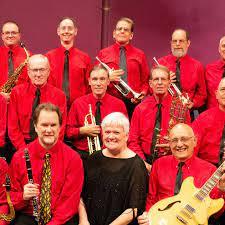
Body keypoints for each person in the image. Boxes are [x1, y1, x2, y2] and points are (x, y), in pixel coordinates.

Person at [9, 103, 84, 225]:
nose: (49, 130)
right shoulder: (19, 157)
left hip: (61, 219)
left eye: (53, 125)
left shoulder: (73, 158)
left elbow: (69, 203)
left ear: (60, 127)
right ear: (36, 126)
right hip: (29, 216)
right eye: (44, 125)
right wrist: (23, 196)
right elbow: (10, 198)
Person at [138, 123, 225, 225]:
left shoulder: (210, 170)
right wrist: (148, 215)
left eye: (184, 139)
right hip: (161, 220)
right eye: (174, 140)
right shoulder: (159, 164)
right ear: (169, 144)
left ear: (195, 141)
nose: (179, 144)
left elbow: (217, 213)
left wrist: (221, 190)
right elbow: (151, 198)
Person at [79, 112, 148, 225]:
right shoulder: (93, 158)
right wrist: (83, 220)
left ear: (126, 135)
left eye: (116, 132)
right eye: (107, 132)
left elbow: (133, 209)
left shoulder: (136, 165)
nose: (111, 136)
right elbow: (80, 194)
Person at [128, 65, 190, 172]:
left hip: (173, 160)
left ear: (169, 83)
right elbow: (133, 141)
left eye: (163, 79)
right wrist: (143, 164)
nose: (160, 82)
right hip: (144, 161)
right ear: (150, 84)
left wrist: (173, 148)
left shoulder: (181, 108)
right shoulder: (140, 108)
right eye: (156, 79)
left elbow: (188, 139)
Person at [66, 65, 127, 160]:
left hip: (111, 155)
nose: (98, 83)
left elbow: (125, 133)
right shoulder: (78, 103)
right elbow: (68, 132)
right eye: (95, 79)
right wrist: (82, 131)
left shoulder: (119, 104)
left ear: (108, 81)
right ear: (89, 81)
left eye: (102, 79)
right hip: (84, 155)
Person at [8, 54, 67, 152]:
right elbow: (12, 127)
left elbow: (60, 128)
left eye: (42, 70)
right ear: (28, 72)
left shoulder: (59, 95)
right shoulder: (16, 93)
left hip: (49, 146)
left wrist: (48, 149)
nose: (38, 74)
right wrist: (24, 150)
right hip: (21, 147)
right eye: (35, 70)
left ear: (48, 71)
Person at [96, 17, 150, 118]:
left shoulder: (140, 54)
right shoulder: (103, 53)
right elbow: (95, 77)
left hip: (133, 102)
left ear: (131, 35)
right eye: (119, 29)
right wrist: (107, 77)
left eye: (126, 30)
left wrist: (142, 93)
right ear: (114, 33)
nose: (122, 31)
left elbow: (146, 80)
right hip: (109, 101)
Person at [46, 17, 91, 109]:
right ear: (58, 31)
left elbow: (89, 85)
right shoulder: (48, 57)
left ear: (75, 31)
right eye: (63, 28)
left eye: (70, 28)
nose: (66, 31)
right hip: (53, 106)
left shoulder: (85, 57)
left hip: (78, 106)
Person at [157, 29, 206, 113]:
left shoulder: (197, 66)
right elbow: (151, 89)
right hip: (163, 111)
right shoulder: (160, 63)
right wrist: (164, 81)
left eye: (181, 41)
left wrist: (193, 103)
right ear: (171, 43)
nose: (177, 44)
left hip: (186, 112)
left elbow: (202, 94)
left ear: (188, 43)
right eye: (174, 41)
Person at [192, 78, 225, 166]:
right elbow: (191, 149)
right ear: (216, 94)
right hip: (207, 169)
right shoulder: (203, 118)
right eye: (223, 90)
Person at [0, 21, 29, 101]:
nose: (10, 35)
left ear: (19, 35)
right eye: (7, 33)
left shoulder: (28, 56)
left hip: (21, 101)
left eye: (13, 33)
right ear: (2, 36)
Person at [205, 36, 225, 109]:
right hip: (213, 117)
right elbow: (201, 93)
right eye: (224, 46)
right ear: (219, 49)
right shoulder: (209, 69)